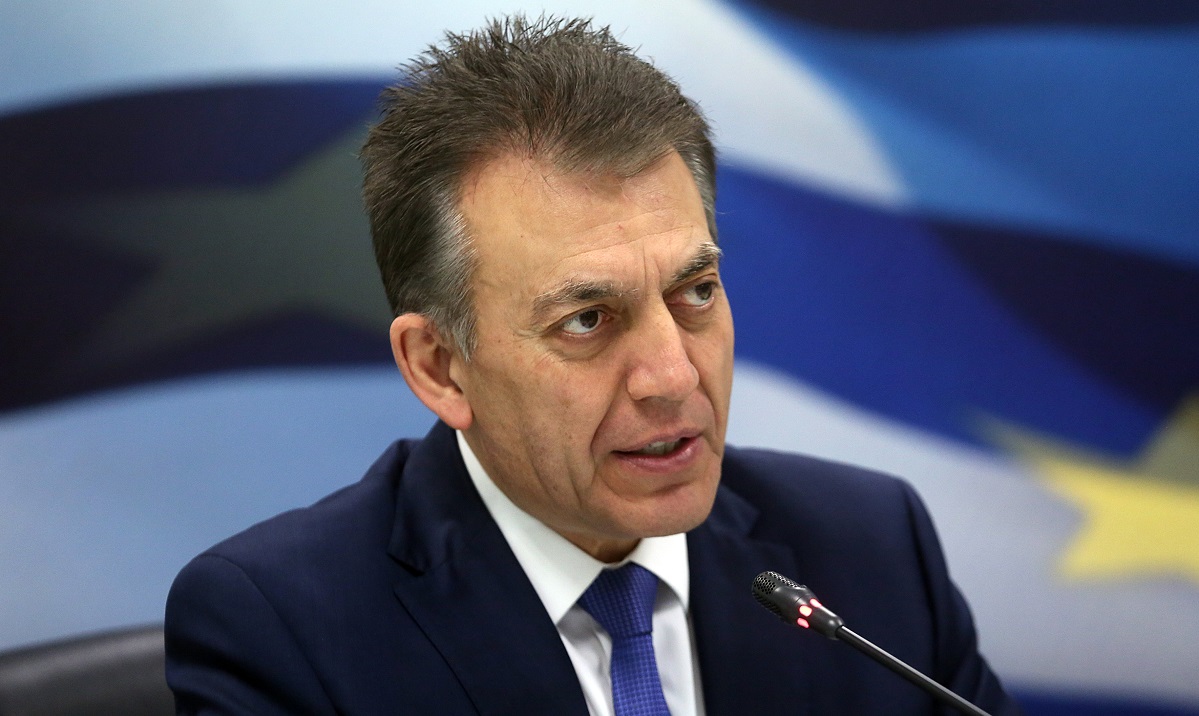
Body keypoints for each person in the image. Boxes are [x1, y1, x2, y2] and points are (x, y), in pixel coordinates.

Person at [165, 14, 1021, 715]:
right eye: (586, 320)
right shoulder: (284, 632)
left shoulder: (872, 552)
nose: (673, 377)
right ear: (439, 367)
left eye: (694, 292)